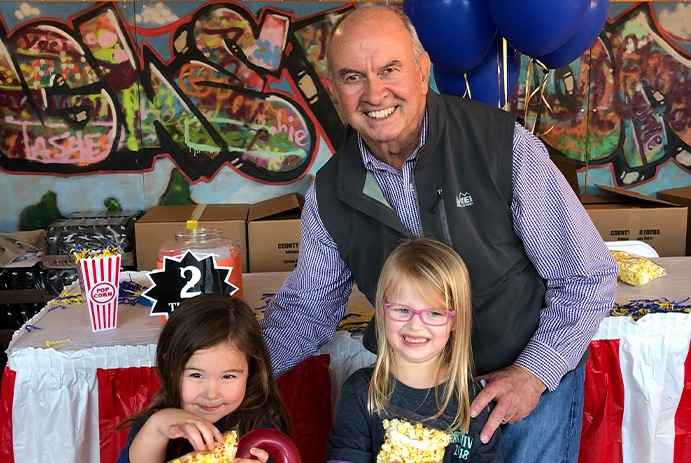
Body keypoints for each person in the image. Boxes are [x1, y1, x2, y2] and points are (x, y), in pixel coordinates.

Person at [259, 5, 618, 462]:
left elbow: (587, 277)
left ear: (422, 68)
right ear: (333, 90)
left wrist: (534, 372)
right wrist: (237, 374)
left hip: (525, 379)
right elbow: (306, 311)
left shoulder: (501, 146)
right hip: (415, 402)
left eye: (389, 69)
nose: (374, 93)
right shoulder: (328, 193)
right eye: (353, 77)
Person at [327, 238, 503, 462]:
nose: (416, 325)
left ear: (455, 320)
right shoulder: (361, 392)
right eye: (402, 310)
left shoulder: (475, 403)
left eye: (434, 313)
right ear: (383, 311)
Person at [117, 294, 290, 463]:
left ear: (250, 370)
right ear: (171, 370)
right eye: (196, 375)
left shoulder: (261, 424)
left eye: (228, 376)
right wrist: (157, 428)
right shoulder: (154, 427)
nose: (212, 394)